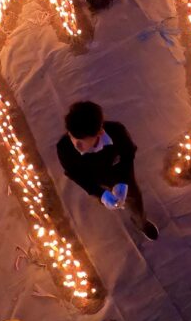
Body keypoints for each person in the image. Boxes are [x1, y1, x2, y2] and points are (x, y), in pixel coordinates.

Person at [56, 100, 158, 240]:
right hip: (94, 178)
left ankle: (141, 222)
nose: (77, 145)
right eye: (73, 137)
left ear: (99, 132)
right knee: (105, 199)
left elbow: (128, 155)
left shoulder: (117, 132)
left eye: (83, 140)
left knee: (134, 197)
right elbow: (75, 175)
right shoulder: (64, 148)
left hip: (118, 173)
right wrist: (100, 193)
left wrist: (123, 181)